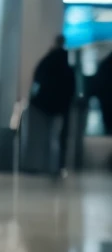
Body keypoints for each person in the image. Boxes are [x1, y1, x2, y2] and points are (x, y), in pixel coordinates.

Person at [30, 34, 76, 174]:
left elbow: (37, 78)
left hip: (44, 105)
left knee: (45, 136)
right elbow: (71, 86)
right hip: (61, 105)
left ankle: (44, 164)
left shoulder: (47, 61)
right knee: (59, 137)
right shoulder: (66, 63)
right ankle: (57, 165)